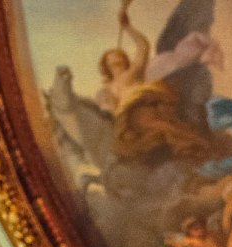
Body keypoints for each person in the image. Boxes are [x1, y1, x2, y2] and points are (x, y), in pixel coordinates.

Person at [94, 0, 223, 165]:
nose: (116, 58)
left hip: (146, 106)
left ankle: (201, 151)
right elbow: (109, 110)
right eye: (111, 57)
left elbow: (143, 47)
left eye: (118, 55)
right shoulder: (106, 89)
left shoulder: (132, 72)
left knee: (169, 127)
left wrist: (128, 28)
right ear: (106, 64)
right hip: (127, 119)